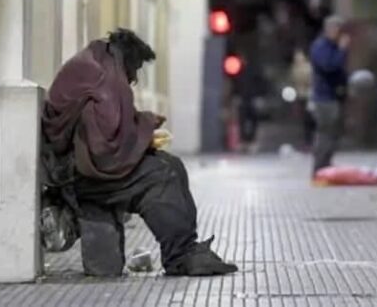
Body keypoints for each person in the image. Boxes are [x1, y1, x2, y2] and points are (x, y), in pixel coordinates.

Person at [41, 29, 238, 276]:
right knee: (165, 172)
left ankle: (178, 250)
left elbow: (101, 132)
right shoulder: (107, 76)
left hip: (67, 167)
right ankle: (181, 255)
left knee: (167, 166)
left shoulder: (92, 61)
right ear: (129, 59)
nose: (133, 78)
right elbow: (105, 148)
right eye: (135, 70)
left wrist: (139, 128)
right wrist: (145, 125)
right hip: (79, 175)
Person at [309, 15, 350, 177]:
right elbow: (329, 66)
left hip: (333, 97)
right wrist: (341, 50)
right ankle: (319, 167)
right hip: (323, 99)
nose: (338, 34)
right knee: (325, 134)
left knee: (332, 135)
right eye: (336, 30)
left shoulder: (332, 47)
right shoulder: (321, 47)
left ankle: (325, 166)